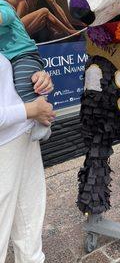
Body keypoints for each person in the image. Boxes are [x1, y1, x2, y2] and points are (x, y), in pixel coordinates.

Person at [0, 54, 54, 263]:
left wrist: (38, 78)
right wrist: (30, 110)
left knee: (30, 220)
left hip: (22, 136)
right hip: (4, 146)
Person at [0, 0, 51, 141]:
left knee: (24, 85)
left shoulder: (3, 6)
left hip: (23, 54)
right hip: (11, 58)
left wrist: (44, 81)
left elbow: (7, 15)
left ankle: (41, 122)